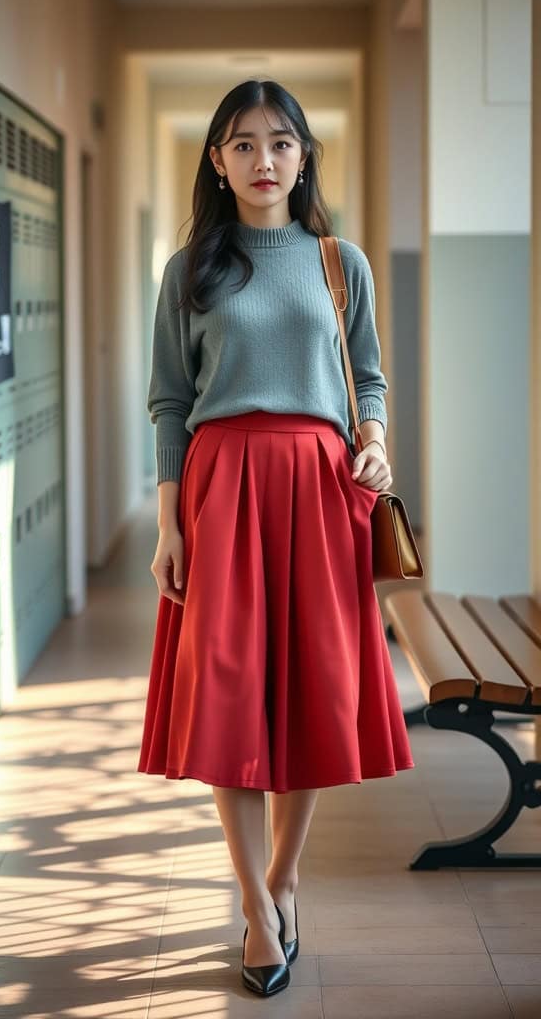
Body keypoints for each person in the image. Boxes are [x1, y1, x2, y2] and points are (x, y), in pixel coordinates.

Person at [137, 78, 415, 997]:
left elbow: (367, 380)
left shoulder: (342, 263)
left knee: (308, 690)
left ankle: (286, 878)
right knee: (227, 694)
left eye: (281, 143)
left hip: (321, 491)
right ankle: (256, 905)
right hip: (223, 488)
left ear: (304, 156)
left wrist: (372, 443)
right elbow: (171, 405)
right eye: (244, 144)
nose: (264, 160)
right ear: (216, 159)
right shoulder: (190, 272)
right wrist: (171, 524)